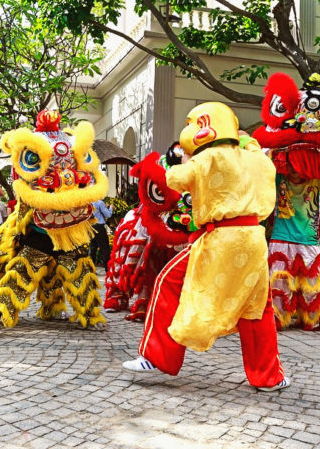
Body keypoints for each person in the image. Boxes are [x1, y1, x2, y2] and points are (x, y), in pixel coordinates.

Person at [124, 102, 288, 392]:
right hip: (252, 240)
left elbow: (172, 181)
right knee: (256, 308)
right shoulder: (255, 158)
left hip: (220, 239)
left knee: (168, 281)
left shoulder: (207, 158)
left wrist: (152, 166)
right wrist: (245, 139)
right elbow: (257, 152)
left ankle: (157, 356)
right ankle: (269, 377)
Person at [89, 198, 112, 268]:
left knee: (92, 248)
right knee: (104, 248)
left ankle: (91, 268)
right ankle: (107, 268)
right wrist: (111, 208)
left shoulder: (88, 202)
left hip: (90, 227)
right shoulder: (99, 202)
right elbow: (108, 215)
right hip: (99, 227)